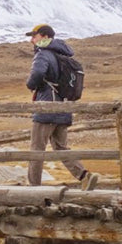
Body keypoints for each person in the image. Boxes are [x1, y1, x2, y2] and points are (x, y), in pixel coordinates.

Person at [25, 24, 99, 189]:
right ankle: (84, 176)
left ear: (44, 37)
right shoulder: (62, 54)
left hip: (47, 107)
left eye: (34, 36)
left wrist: (30, 84)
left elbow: (37, 74)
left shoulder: (43, 54)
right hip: (63, 108)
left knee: (37, 148)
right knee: (61, 146)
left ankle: (33, 186)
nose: (32, 40)